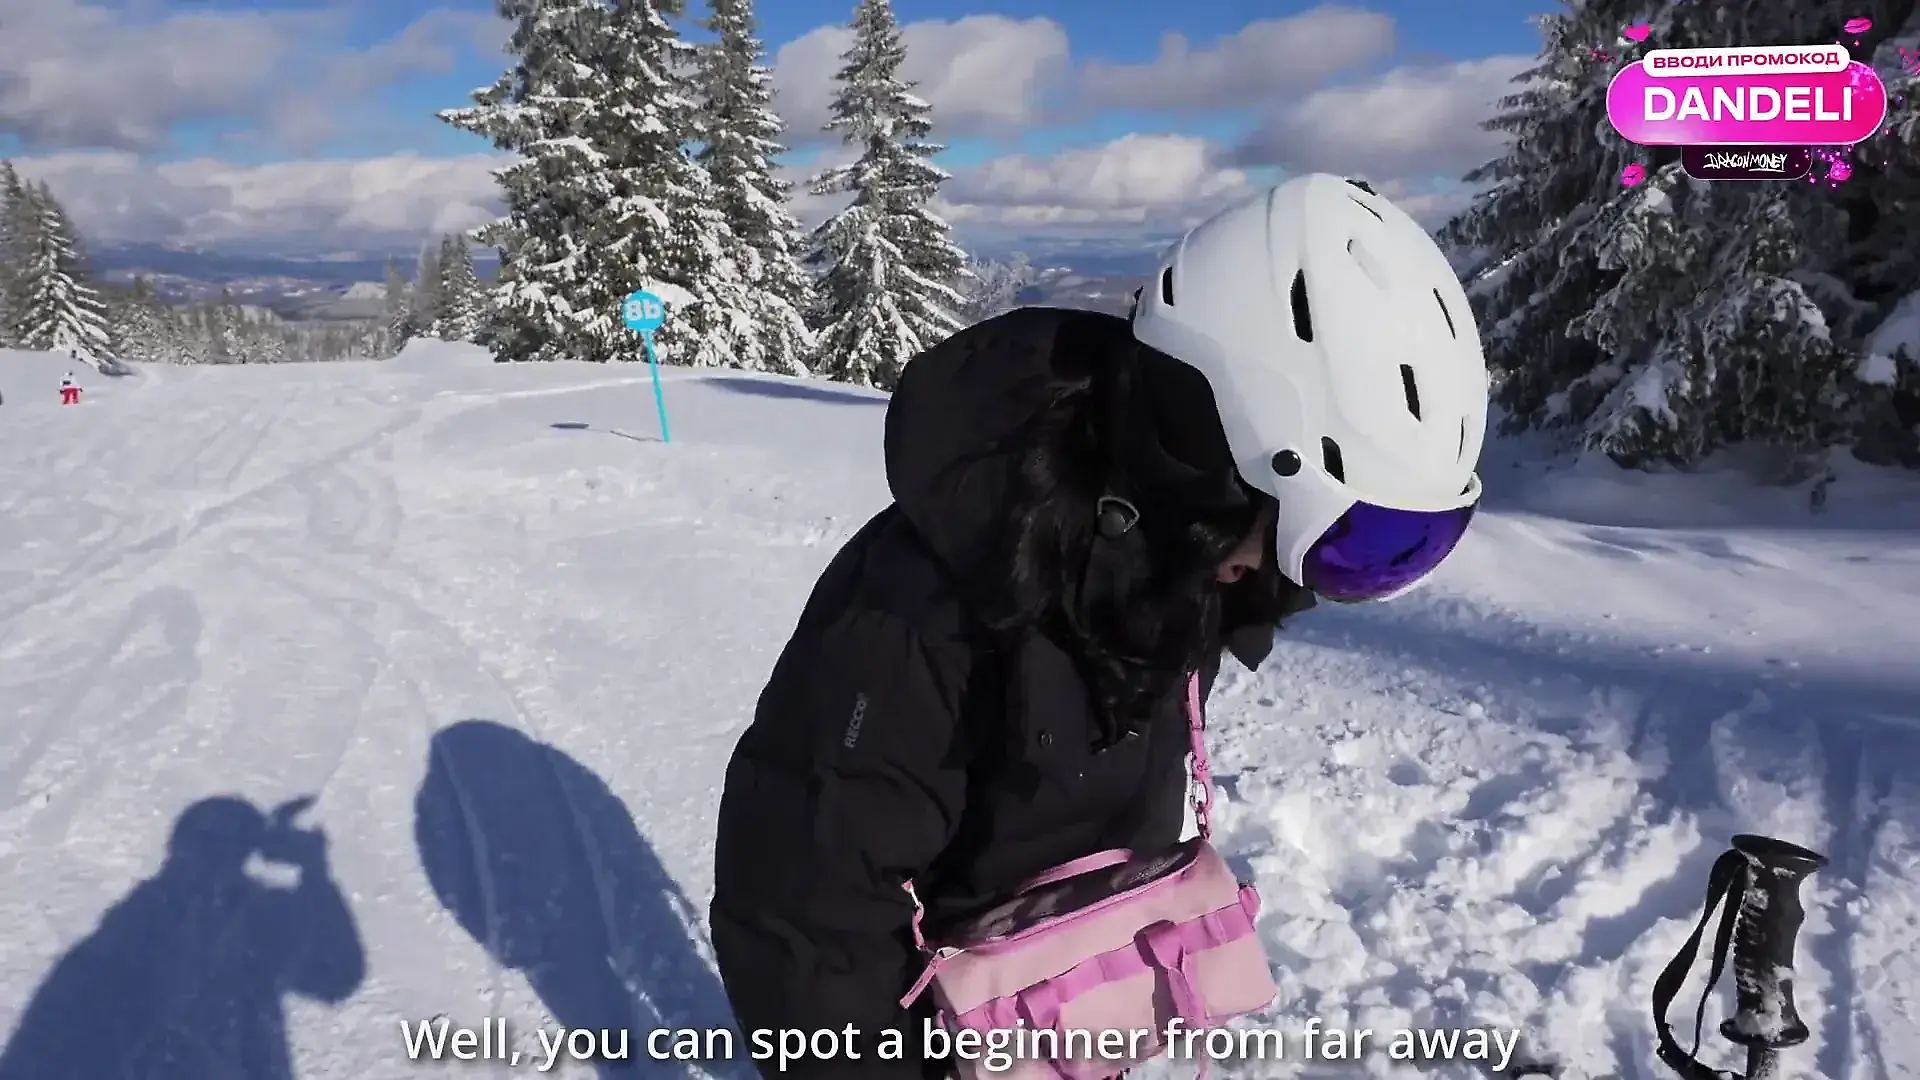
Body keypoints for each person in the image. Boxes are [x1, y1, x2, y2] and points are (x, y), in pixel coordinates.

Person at [709, 174, 1490, 1078]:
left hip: (1064, 1010)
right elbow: (808, 910)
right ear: (1202, 454)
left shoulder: (1177, 563)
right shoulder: (923, 605)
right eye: (1326, 538)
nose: (1278, 575)